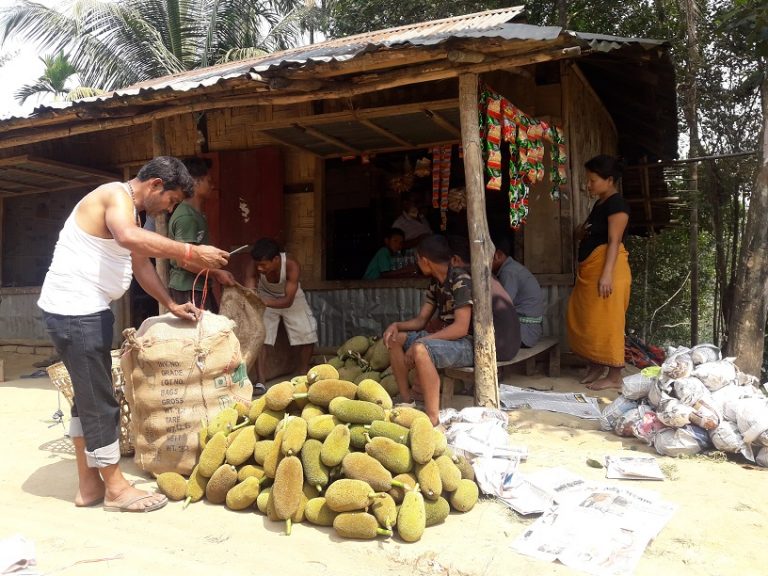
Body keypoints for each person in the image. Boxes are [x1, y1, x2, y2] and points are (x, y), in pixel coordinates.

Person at [38, 156, 230, 513]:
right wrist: (190, 250)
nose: (169, 209)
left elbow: (140, 261)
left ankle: (88, 486)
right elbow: (129, 238)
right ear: (156, 185)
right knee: (100, 402)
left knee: (88, 397)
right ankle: (114, 488)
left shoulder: (132, 214)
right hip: (74, 311)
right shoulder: (115, 195)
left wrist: (171, 305)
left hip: (84, 310)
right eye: (171, 201)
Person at [383, 234, 473, 426]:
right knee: (394, 339)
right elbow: (421, 320)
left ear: (424, 260)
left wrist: (423, 341)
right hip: (443, 340)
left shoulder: (460, 280)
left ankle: (433, 419)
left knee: (420, 349)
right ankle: (407, 401)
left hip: (465, 344)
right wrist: (396, 326)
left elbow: (461, 328)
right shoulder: (435, 283)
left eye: (417, 259)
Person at [566, 154, 631, 390]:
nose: (588, 185)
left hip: (609, 270)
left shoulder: (617, 204)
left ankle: (614, 375)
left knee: (609, 322)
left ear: (609, 180)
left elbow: (614, 241)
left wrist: (606, 275)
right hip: (592, 269)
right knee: (586, 317)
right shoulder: (600, 204)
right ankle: (595, 364)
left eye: (593, 180)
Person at [244, 238, 318, 392]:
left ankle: (303, 373)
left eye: (264, 265)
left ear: (276, 259)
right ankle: (261, 381)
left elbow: (288, 301)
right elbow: (250, 287)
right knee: (260, 336)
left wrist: (264, 302)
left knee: (307, 333)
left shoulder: (291, 265)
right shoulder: (255, 265)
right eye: (258, 265)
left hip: (291, 298)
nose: (259, 269)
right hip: (264, 295)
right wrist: (253, 298)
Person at [167, 157, 236, 311]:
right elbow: (184, 262)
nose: (212, 185)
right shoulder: (187, 218)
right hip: (188, 289)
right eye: (208, 180)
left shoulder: (197, 214)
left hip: (197, 286)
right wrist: (217, 273)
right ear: (195, 182)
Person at [448, 235, 521, 362]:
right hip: (512, 347)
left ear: (455, 259)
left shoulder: (464, 276)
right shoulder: (485, 274)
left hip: (497, 349)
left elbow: (461, 327)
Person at [491, 236, 545, 348]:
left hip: (525, 332)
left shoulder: (509, 272)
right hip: (529, 330)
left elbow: (502, 307)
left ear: (498, 255)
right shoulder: (511, 268)